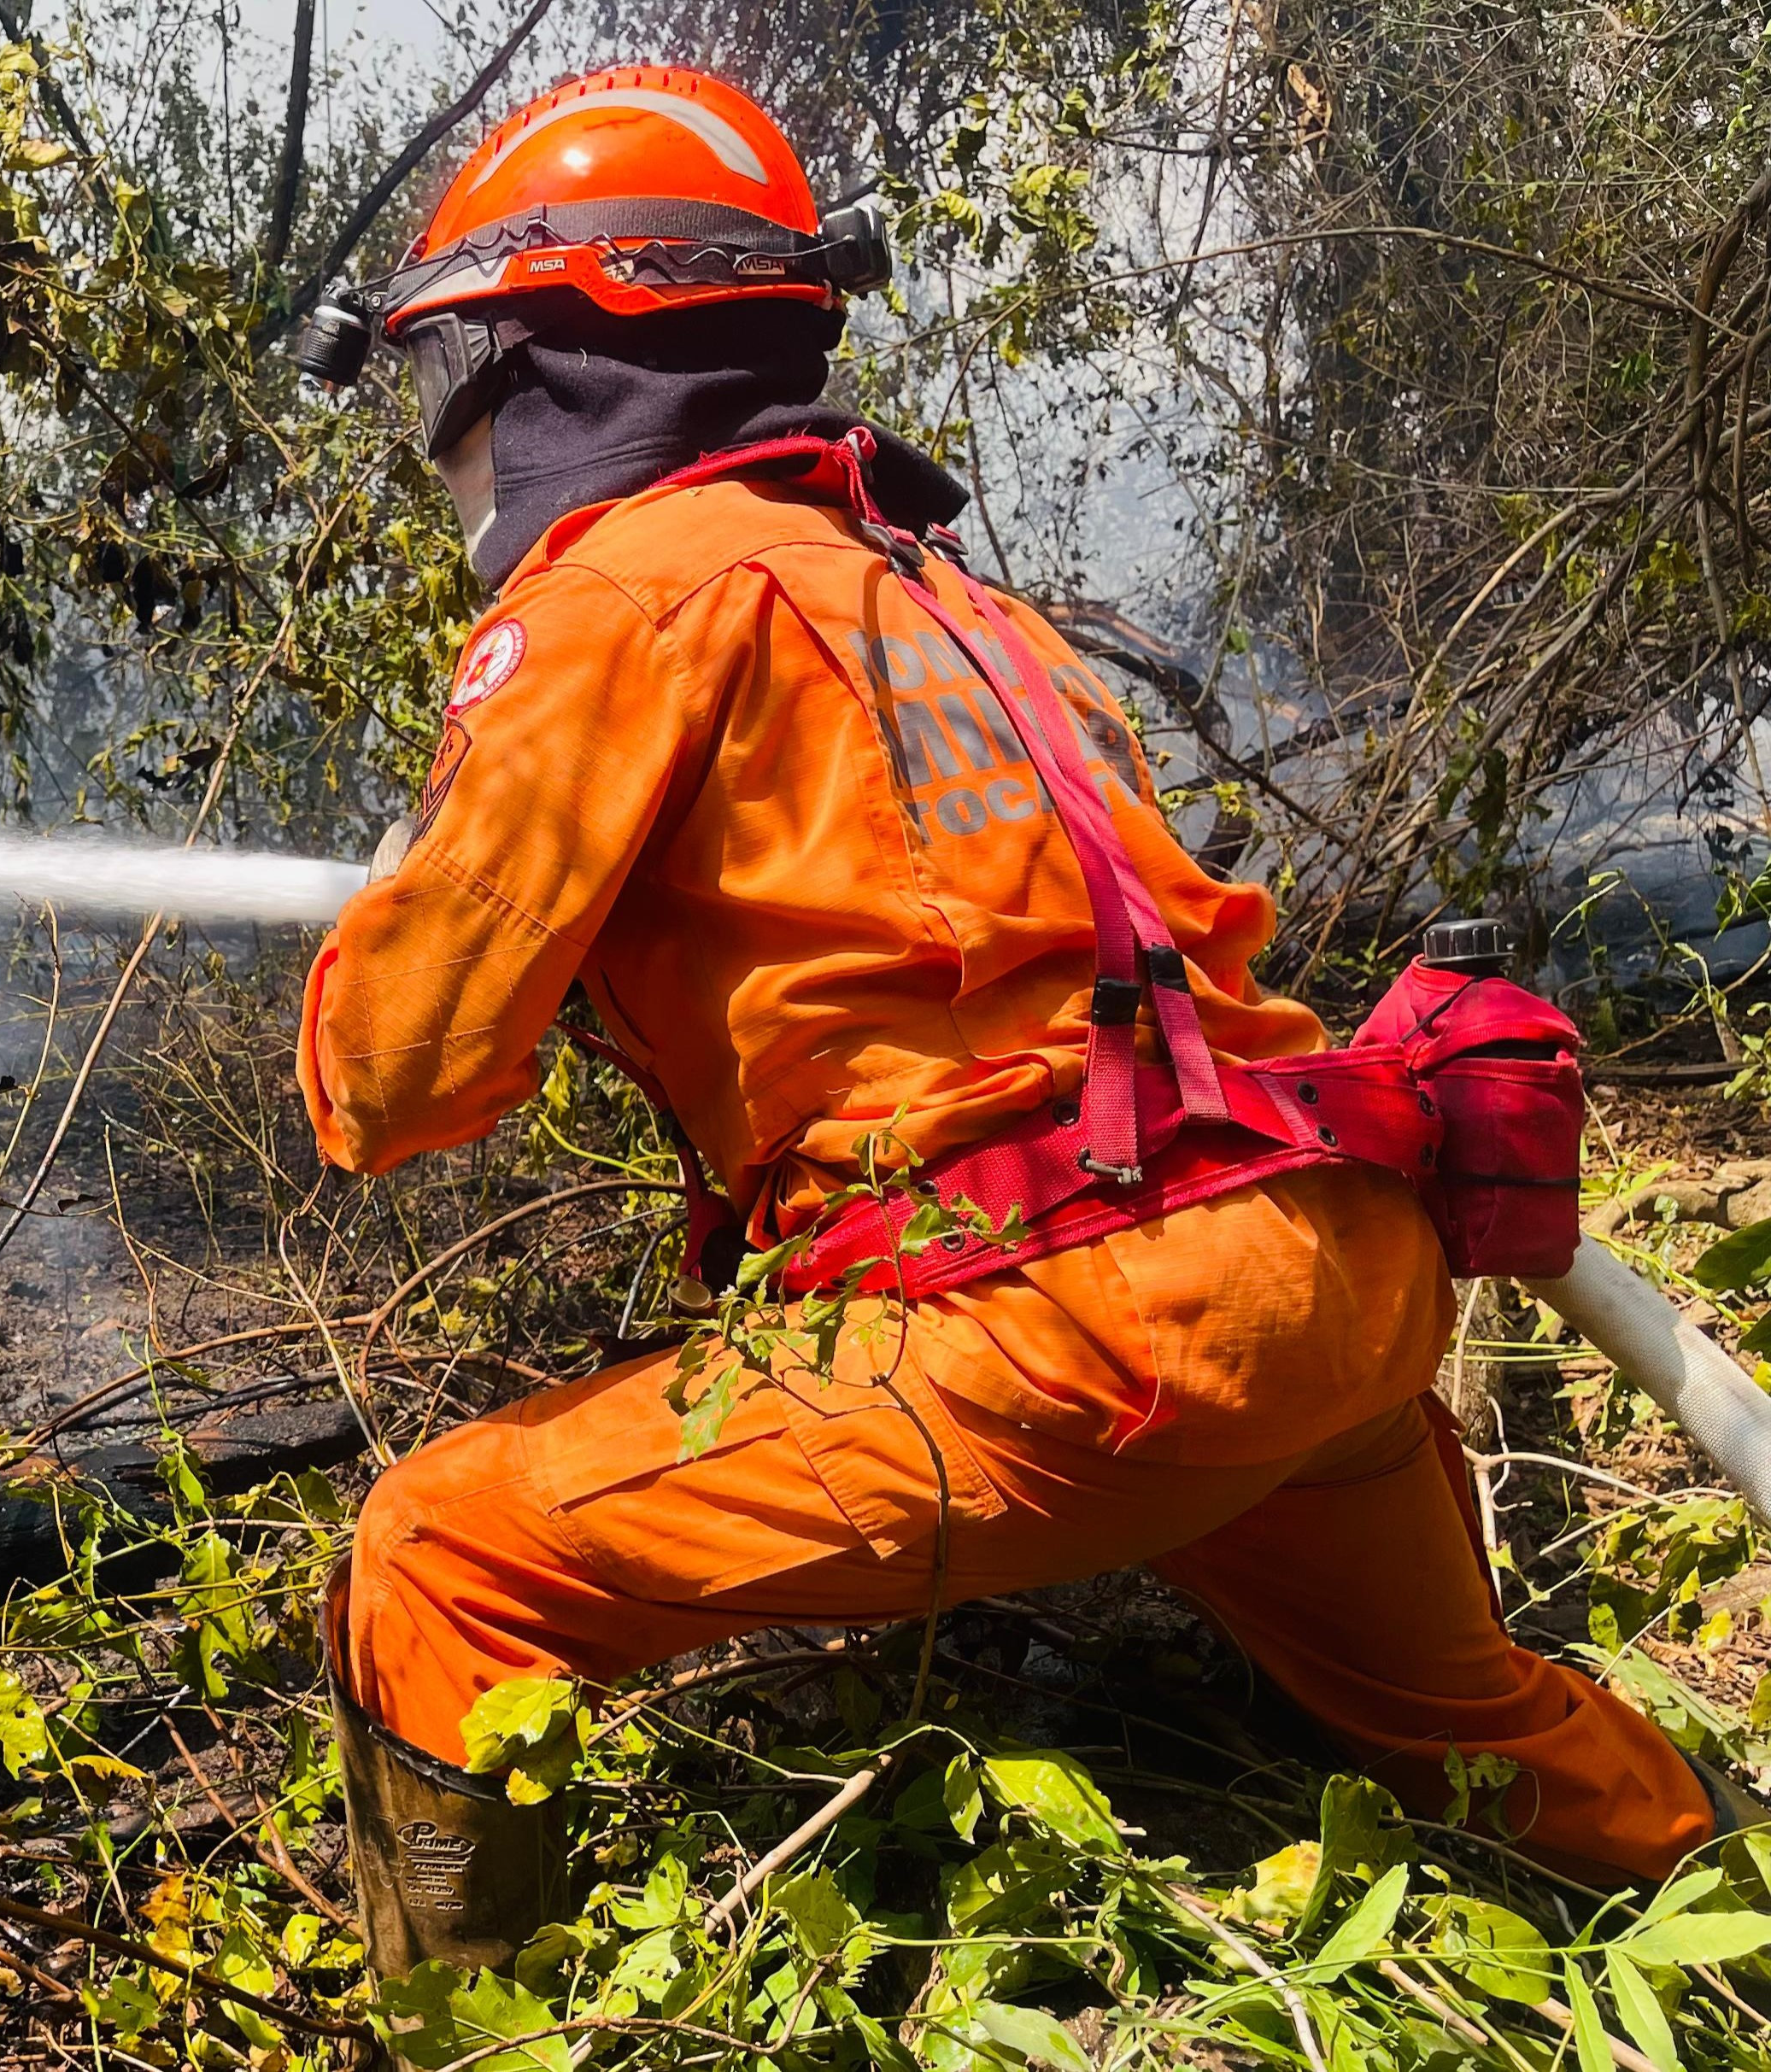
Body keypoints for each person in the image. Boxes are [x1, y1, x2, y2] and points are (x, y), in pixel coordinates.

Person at [294, 62, 1728, 1980]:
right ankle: (1723, 1907)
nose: (447, 441)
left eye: (448, 372)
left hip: (1071, 1330)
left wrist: (413, 895)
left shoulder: (618, 594)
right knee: (1473, 1725)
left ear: (546, 356)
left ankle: (476, 2030)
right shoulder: (939, 593)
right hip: (1323, 1279)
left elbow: (390, 1083)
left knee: (440, 1556)